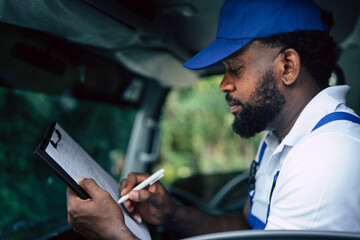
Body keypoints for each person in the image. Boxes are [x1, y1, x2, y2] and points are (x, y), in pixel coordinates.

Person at [66, 0, 360, 239]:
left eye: (235, 68)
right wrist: (172, 215)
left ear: (288, 66)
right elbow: (247, 225)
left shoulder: (328, 156)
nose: (224, 84)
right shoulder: (279, 139)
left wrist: (113, 232)